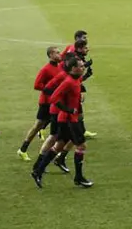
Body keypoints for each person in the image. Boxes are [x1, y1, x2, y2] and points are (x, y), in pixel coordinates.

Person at [31, 57, 93, 189]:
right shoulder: (69, 81)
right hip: (70, 119)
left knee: (59, 145)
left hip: (67, 119)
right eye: (81, 66)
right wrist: (69, 109)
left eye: (83, 66)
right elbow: (53, 97)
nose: (83, 68)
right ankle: (78, 178)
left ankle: (38, 171)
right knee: (81, 146)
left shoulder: (75, 79)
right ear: (73, 68)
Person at [18, 46, 62, 161]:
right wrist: (50, 90)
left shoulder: (59, 67)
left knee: (57, 128)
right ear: (51, 55)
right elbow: (37, 85)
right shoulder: (46, 69)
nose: (60, 54)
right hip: (46, 103)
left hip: (55, 103)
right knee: (37, 126)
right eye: (57, 53)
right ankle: (22, 150)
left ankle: (53, 152)